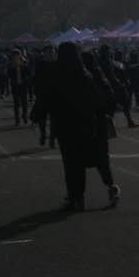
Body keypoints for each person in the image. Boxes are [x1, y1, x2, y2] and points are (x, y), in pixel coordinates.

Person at [33, 43, 118, 211]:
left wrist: (37, 115)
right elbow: (98, 98)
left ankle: (76, 197)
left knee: (71, 163)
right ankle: (107, 187)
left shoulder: (57, 74)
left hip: (65, 125)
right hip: (88, 124)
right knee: (95, 158)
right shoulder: (86, 75)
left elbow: (46, 97)